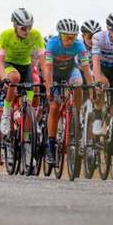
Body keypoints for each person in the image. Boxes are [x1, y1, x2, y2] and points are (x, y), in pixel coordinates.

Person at [44, 18, 93, 164]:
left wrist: (91, 88)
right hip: (55, 74)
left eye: (73, 37)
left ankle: (76, 113)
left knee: (78, 84)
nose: (70, 40)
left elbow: (86, 69)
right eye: (67, 37)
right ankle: (51, 146)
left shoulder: (79, 46)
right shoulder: (52, 44)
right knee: (54, 106)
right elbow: (48, 69)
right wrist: (49, 87)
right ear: (60, 36)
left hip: (71, 71)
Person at [0, 8, 44, 136]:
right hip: (9, 64)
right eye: (23, 28)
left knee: (29, 101)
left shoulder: (36, 35)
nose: (27, 31)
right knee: (14, 78)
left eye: (29, 27)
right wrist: (4, 77)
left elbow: (43, 60)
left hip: (25, 65)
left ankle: (29, 132)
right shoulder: (6, 35)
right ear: (15, 26)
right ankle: (6, 114)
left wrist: (48, 80)